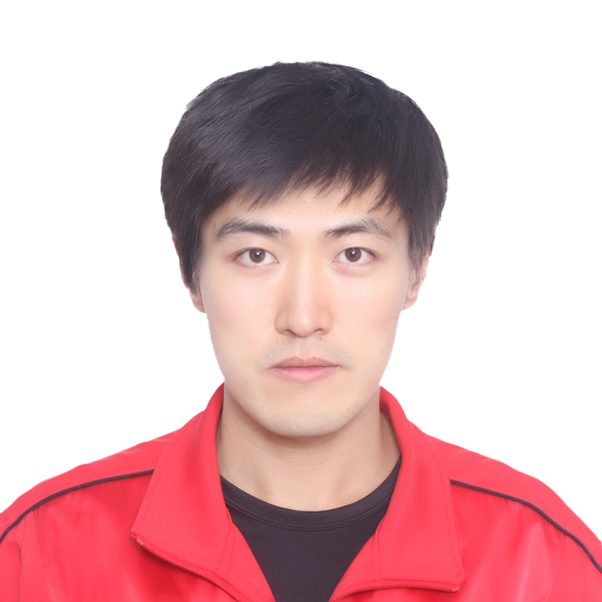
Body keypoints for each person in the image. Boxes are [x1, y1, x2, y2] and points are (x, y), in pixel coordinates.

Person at [1, 62, 600, 601]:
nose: (304, 317)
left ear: (417, 270)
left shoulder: (543, 564)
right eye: (256, 255)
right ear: (191, 271)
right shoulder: (42, 554)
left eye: (354, 254)